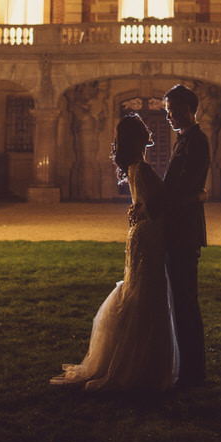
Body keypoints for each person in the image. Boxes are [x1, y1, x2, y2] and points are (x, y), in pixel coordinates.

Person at [51, 114, 177, 391]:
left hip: (140, 233)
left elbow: (148, 202)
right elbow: (163, 200)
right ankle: (143, 367)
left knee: (141, 293)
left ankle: (135, 362)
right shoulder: (142, 168)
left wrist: (143, 208)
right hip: (149, 234)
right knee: (149, 297)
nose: (149, 129)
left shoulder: (133, 167)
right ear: (138, 137)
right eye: (144, 128)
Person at [160, 82, 210, 386]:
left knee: (186, 300)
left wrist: (156, 203)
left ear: (187, 110)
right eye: (167, 112)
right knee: (179, 300)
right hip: (176, 228)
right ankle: (187, 367)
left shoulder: (197, 141)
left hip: (185, 230)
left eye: (172, 111)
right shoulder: (184, 140)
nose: (169, 117)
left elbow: (186, 186)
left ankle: (194, 371)